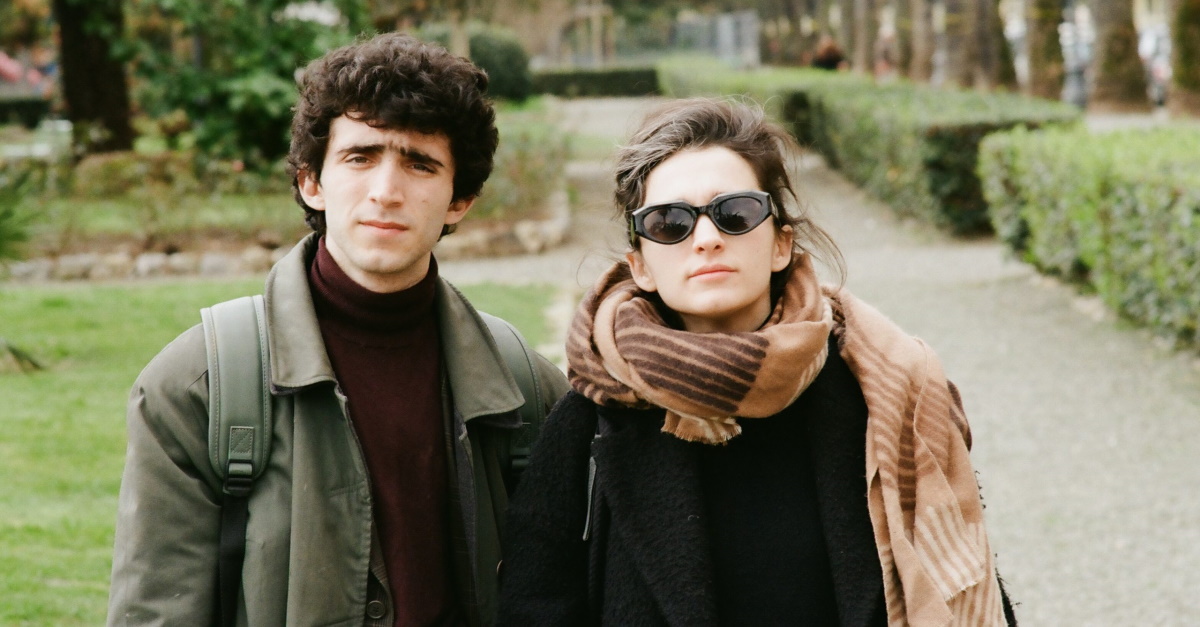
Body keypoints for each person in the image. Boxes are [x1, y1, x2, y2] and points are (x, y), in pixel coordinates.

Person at [497, 98, 1017, 626]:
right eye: (669, 223)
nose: (706, 239)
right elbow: (534, 604)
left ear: (780, 245)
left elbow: (966, 577)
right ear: (641, 266)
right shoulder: (592, 417)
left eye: (735, 213)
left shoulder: (882, 389)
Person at [108, 33, 569, 626]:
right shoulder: (196, 387)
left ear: (460, 200)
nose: (386, 192)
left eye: (420, 163)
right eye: (360, 157)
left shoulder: (527, 390)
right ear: (312, 182)